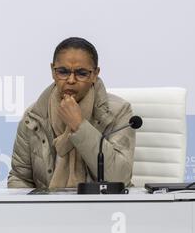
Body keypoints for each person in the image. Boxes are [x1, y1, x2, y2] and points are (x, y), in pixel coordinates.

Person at [8, 37, 135, 188]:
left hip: (101, 207)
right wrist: (36, 209)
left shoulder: (118, 112)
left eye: (81, 73)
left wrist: (79, 126)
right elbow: (19, 178)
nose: (71, 80)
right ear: (53, 71)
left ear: (95, 74)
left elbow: (119, 179)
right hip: (47, 208)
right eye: (63, 72)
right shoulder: (34, 116)